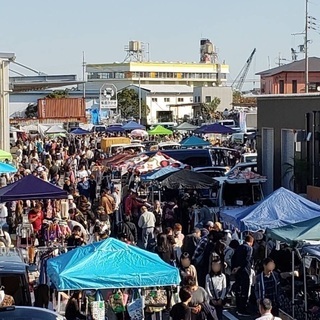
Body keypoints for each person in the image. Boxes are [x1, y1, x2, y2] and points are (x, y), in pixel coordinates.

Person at [231, 234, 254, 316]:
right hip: (244, 271)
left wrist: (234, 268)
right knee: (244, 289)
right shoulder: (249, 248)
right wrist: (239, 267)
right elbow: (247, 260)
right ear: (251, 242)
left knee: (238, 289)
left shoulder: (239, 247)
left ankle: (238, 306)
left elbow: (233, 258)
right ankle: (242, 309)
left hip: (237, 271)